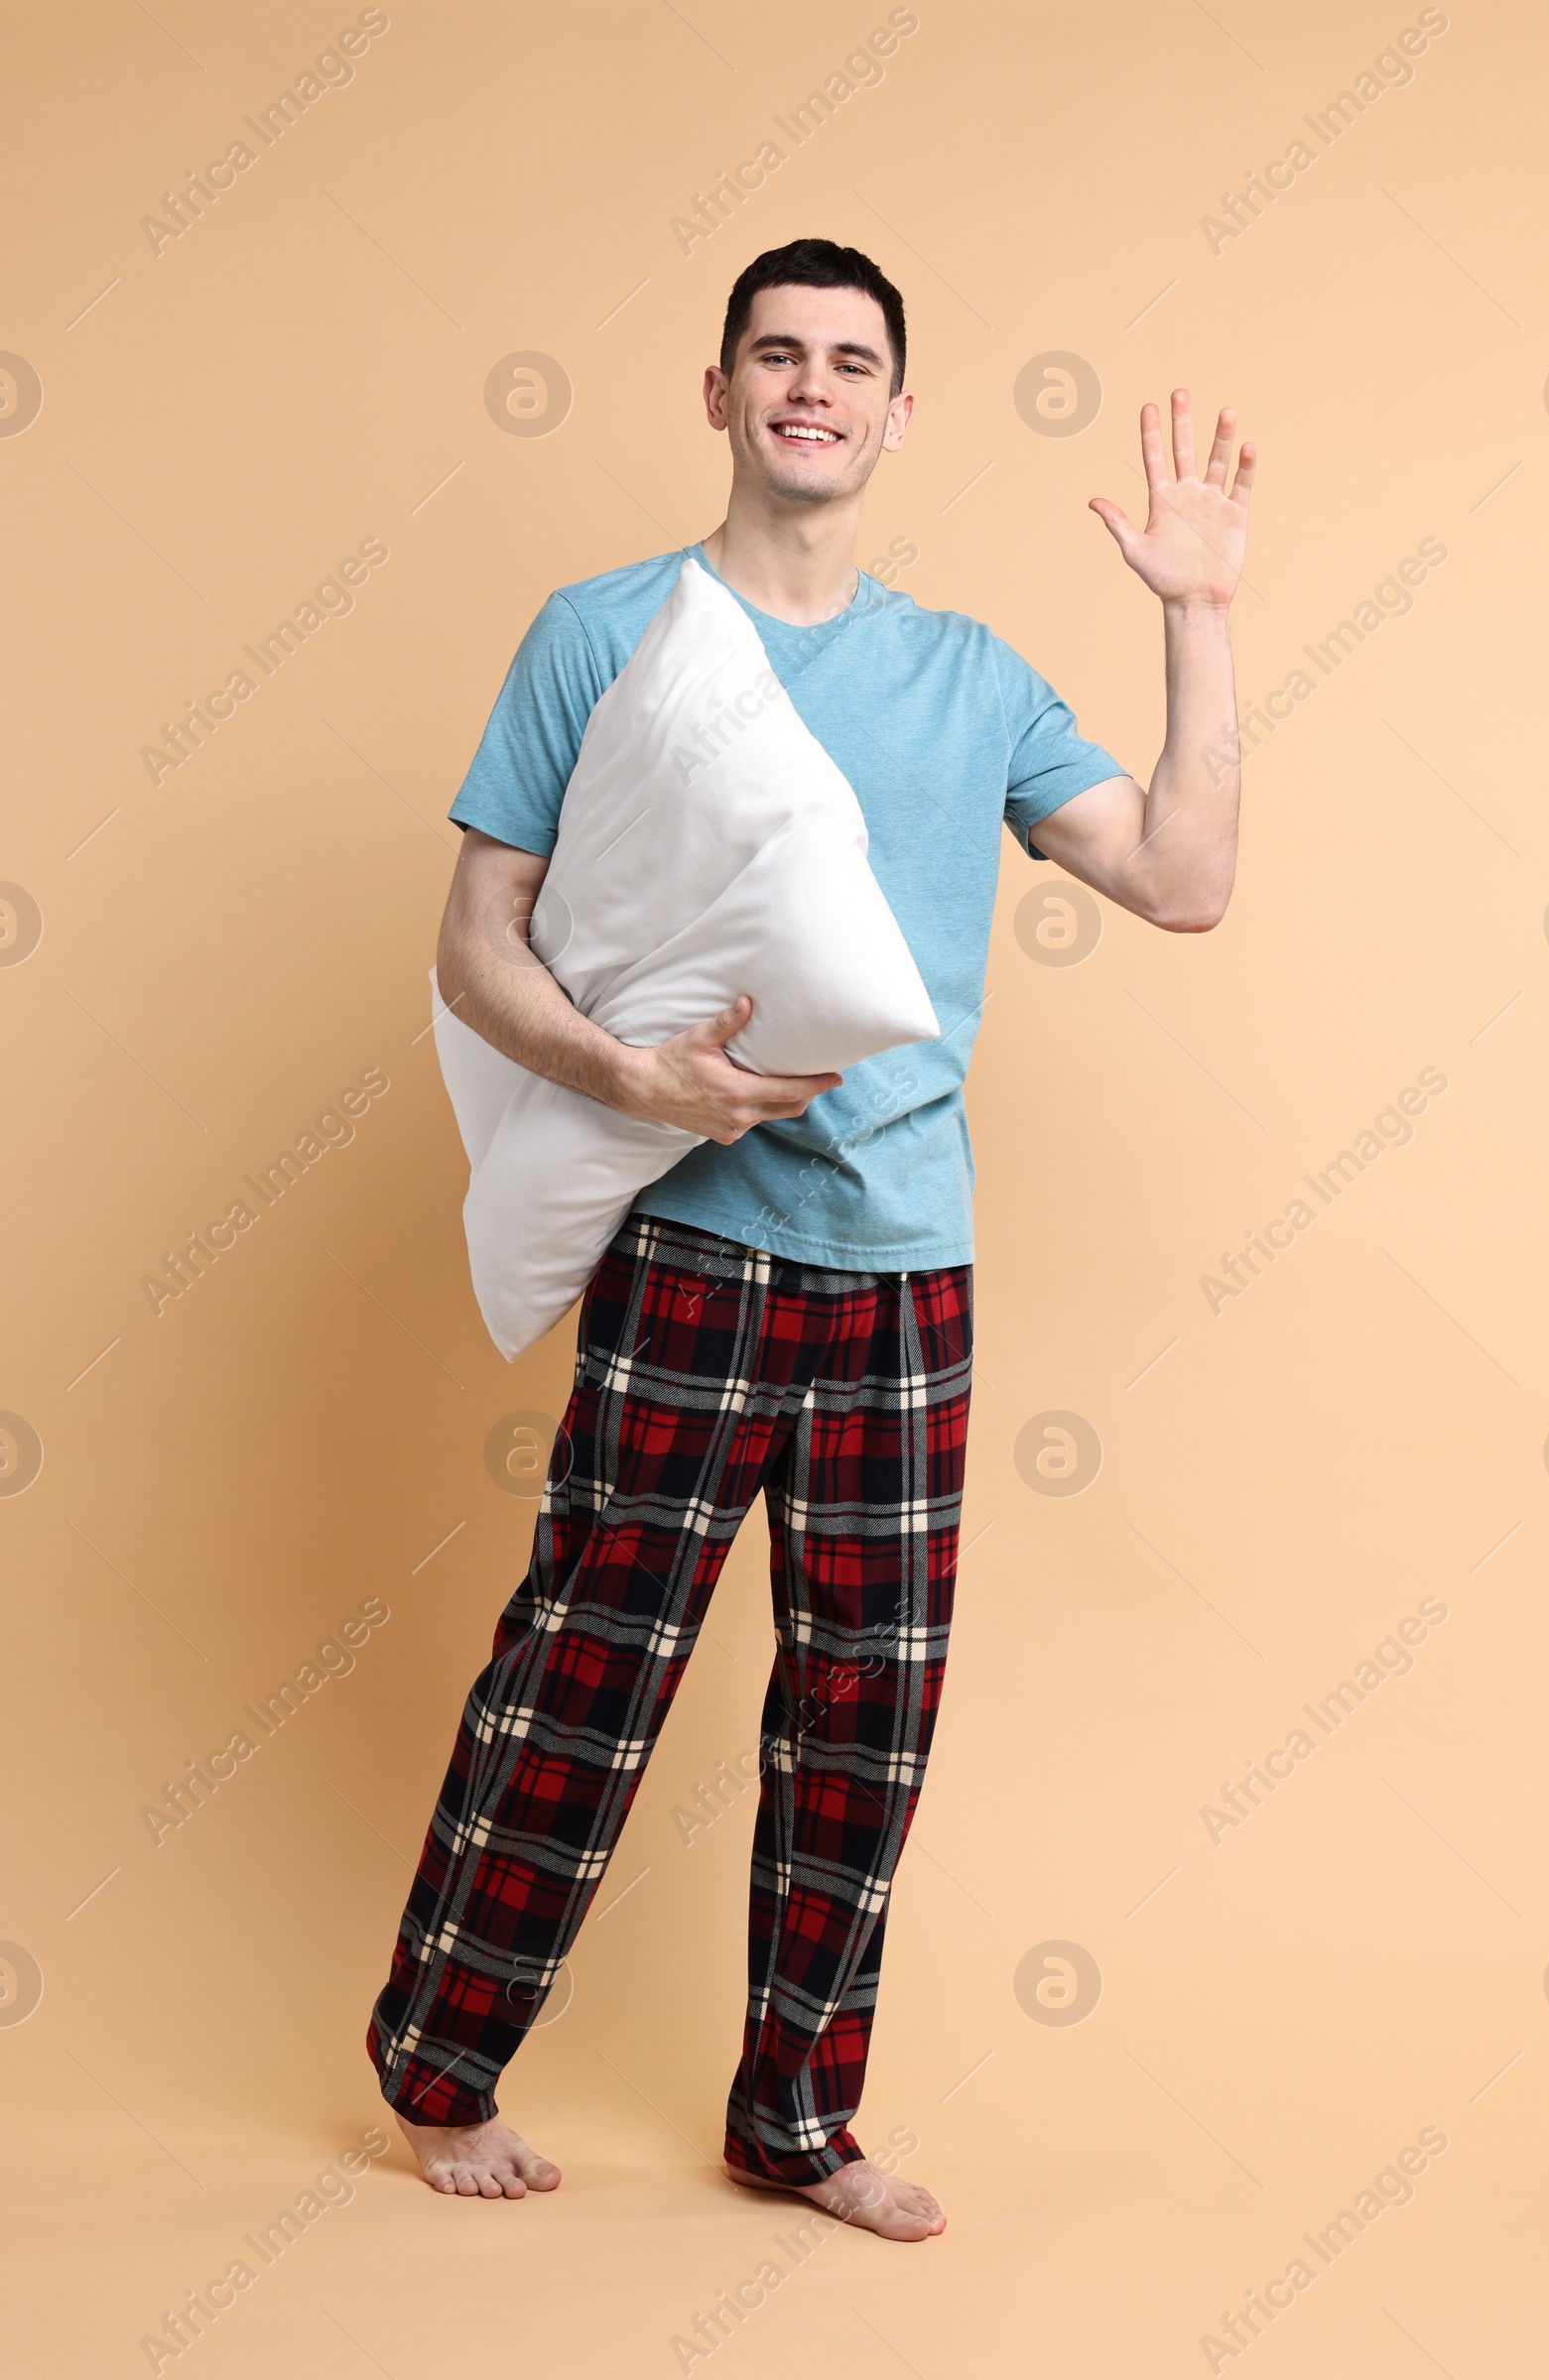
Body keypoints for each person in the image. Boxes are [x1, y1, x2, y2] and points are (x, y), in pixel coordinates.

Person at [366, 236, 1254, 2242]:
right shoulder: (602, 635)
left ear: (895, 413)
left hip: (903, 1282)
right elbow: (468, 939)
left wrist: (1198, 619)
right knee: (583, 1674)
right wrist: (628, 1076)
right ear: (718, 391)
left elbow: (1185, 881)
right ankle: (438, 2065)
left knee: (867, 1711)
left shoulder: (970, 679)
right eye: (775, 354)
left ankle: (795, 2123)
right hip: (687, 1252)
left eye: (850, 363)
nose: (811, 387)